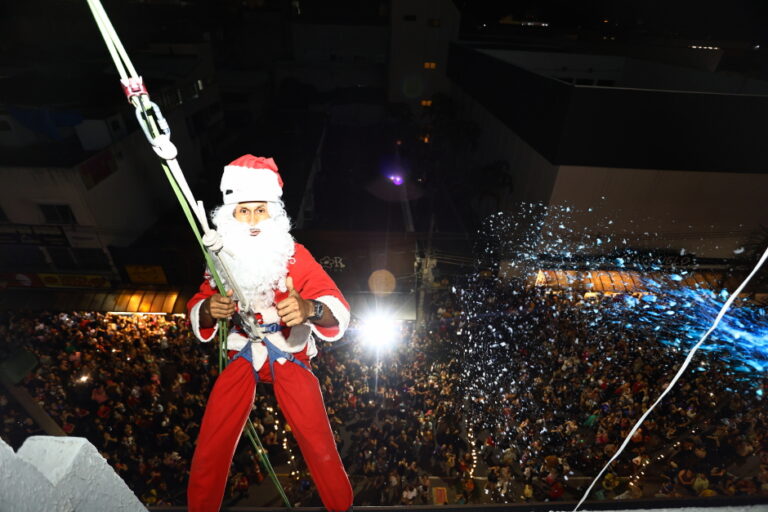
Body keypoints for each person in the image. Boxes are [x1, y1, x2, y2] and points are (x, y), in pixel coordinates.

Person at [186, 155, 353, 512]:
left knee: (315, 436)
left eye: (260, 210)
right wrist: (208, 309)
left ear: (274, 213)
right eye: (243, 211)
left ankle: (341, 505)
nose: (251, 221)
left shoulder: (294, 255)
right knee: (214, 436)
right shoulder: (220, 258)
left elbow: (335, 304)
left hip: (286, 350)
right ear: (229, 215)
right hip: (243, 351)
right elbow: (200, 301)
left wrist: (309, 309)